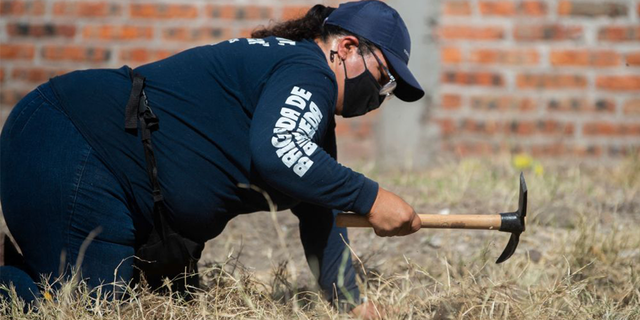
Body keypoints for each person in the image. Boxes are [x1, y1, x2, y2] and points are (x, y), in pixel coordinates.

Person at [0, 0, 423, 317]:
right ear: (347, 47)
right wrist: (371, 197)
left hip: (85, 153)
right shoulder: (307, 69)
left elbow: (319, 207)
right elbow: (279, 153)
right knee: (90, 309)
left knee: (158, 303)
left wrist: (352, 303)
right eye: (383, 78)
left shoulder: (300, 88)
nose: (380, 95)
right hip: (72, 141)